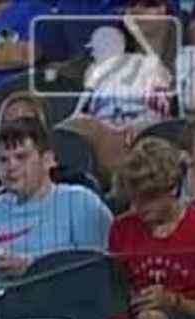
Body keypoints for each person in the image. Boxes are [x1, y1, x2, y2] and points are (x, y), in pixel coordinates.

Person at [0, 118, 111, 291]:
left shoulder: (83, 204)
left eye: (21, 157)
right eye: (3, 160)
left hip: (66, 306)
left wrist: (33, 267)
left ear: (48, 160)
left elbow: (100, 274)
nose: (11, 167)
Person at [60, 0, 181, 185]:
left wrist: (143, 128)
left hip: (154, 152)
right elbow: (74, 119)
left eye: (149, 4)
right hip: (97, 144)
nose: (138, 11)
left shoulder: (186, 64)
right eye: (132, 4)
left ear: (168, 12)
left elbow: (185, 125)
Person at [113, 137, 195, 319]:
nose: (139, 207)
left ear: (171, 188)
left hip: (190, 316)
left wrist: (173, 301)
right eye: (134, 198)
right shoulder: (121, 229)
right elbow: (116, 291)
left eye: (148, 198)